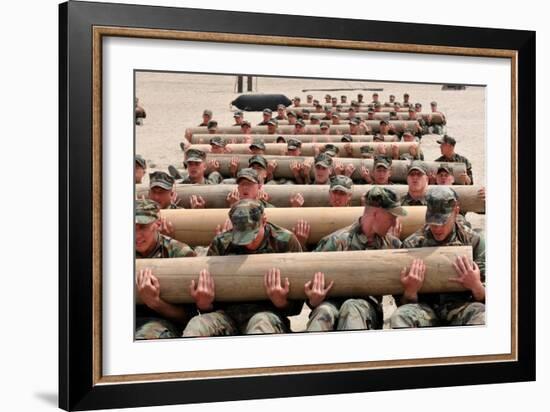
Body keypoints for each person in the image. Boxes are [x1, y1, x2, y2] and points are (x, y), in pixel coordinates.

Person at [182, 199, 304, 336]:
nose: (248, 243)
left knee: (261, 325)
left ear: (264, 221)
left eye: (252, 234)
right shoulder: (222, 243)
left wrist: (281, 302)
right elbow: (210, 304)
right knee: (197, 325)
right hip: (227, 315)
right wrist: (204, 304)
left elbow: (297, 308)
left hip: (266, 314)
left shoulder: (285, 242)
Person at [306, 187, 406, 331]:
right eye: (392, 218)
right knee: (323, 311)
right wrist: (313, 300)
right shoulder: (336, 241)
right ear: (377, 213)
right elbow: (309, 287)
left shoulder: (392, 245)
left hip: (365, 309)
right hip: (332, 303)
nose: (395, 224)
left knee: (352, 307)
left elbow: (402, 299)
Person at [390, 186, 485, 328]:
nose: (437, 228)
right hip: (426, 311)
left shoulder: (474, 241)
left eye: (442, 221)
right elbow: (401, 303)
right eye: (433, 221)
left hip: (462, 309)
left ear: (456, 212)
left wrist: (476, 286)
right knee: (400, 317)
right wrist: (410, 292)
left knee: (483, 316)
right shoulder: (413, 245)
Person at [135, 199, 197, 339]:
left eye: (143, 227)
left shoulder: (181, 253)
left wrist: (155, 303)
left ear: (157, 223)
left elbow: (188, 317)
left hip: (160, 323)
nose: (136, 235)